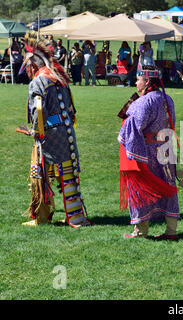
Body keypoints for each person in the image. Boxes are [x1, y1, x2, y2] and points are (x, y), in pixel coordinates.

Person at [18, 31, 91, 228]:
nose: (27, 72)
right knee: (67, 175)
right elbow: (71, 108)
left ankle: (41, 217)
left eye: (27, 68)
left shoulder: (37, 82)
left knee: (38, 174)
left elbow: (39, 109)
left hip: (48, 136)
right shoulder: (58, 78)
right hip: (66, 134)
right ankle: (75, 217)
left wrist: (36, 131)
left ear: (33, 65)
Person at [117, 65, 179, 240]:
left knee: (141, 188)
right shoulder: (168, 99)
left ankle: (141, 231)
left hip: (149, 151)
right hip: (166, 149)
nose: (136, 83)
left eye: (138, 80)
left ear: (147, 82)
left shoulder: (143, 102)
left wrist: (129, 145)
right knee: (168, 185)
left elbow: (133, 127)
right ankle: (171, 230)